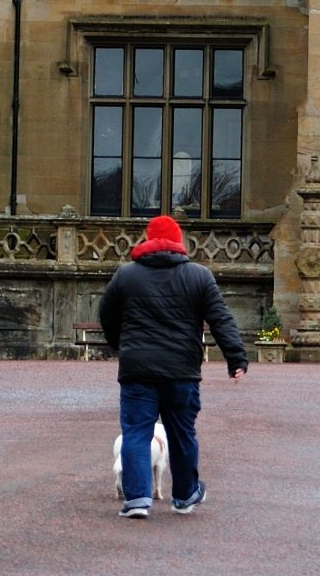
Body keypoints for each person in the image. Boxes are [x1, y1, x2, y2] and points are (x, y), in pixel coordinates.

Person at [97, 213, 247, 519]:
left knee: (137, 432)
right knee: (182, 433)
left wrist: (121, 345)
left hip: (138, 369)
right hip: (181, 370)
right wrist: (236, 358)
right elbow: (221, 318)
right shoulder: (199, 275)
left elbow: (106, 314)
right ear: (179, 242)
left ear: (147, 240)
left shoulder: (126, 275)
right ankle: (185, 495)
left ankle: (137, 499)